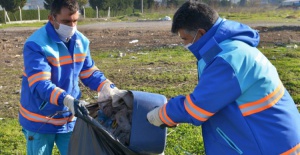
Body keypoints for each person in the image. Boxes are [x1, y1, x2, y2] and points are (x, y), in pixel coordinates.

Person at [147, 1, 300, 154]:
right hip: (272, 137)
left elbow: (197, 108)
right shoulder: (230, 48)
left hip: (271, 146)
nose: (185, 45)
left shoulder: (228, 60)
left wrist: (162, 114)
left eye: (185, 39)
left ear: (201, 33)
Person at [19, 0, 126, 155]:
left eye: (75, 21)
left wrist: (107, 86)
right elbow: (40, 84)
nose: (71, 26)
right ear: (52, 19)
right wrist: (67, 99)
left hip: (69, 118)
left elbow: (88, 72)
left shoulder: (80, 41)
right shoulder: (36, 45)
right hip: (40, 120)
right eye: (66, 21)